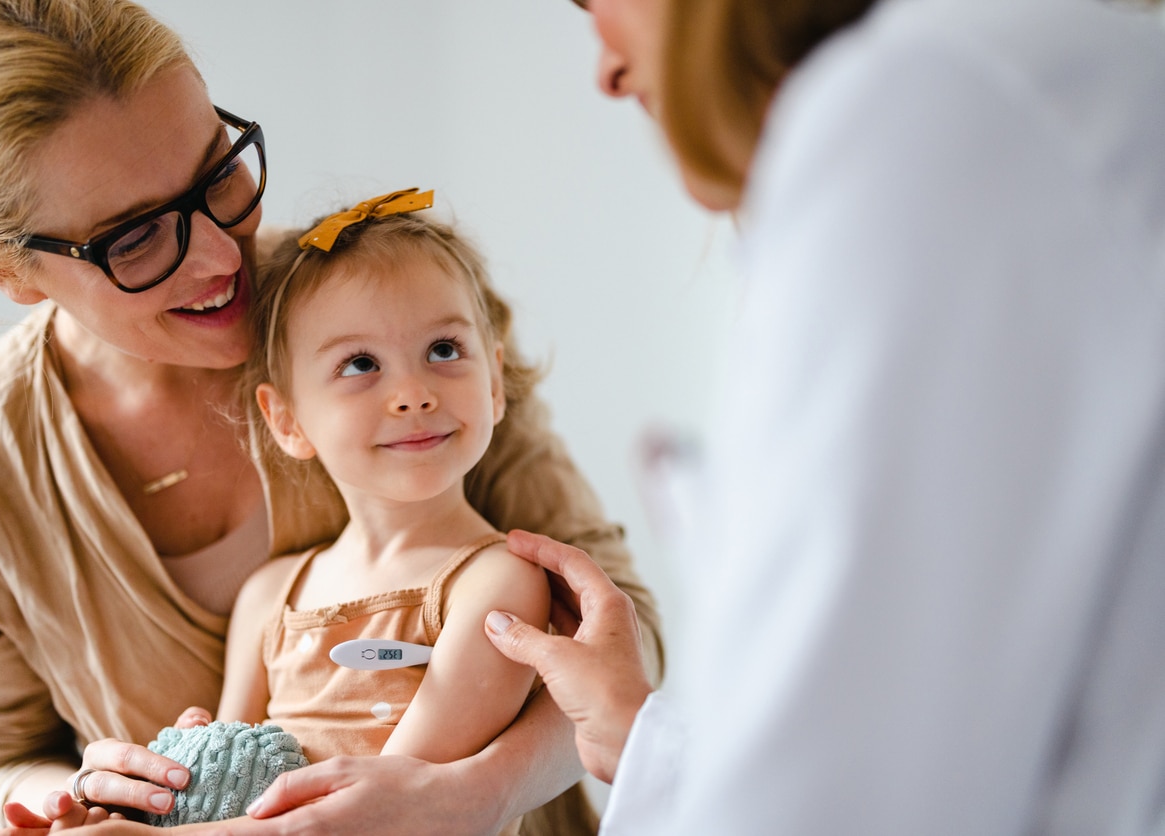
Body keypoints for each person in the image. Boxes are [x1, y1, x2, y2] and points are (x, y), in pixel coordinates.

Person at [0, 1, 663, 833]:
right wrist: (71, 794)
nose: (221, 255)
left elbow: (620, 635)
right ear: (7, 267)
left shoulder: (387, 307)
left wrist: (476, 792)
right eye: (134, 239)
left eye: (218, 173)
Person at [476, 0, 1165, 833]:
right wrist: (645, 739)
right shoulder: (1039, 82)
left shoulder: (929, 106)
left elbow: (835, 798)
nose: (606, 70)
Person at [2, 188, 555, 835]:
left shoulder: (498, 584)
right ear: (286, 420)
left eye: (443, 350)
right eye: (360, 364)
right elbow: (223, 798)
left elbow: (390, 812)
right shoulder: (269, 597)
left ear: (493, 384)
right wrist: (165, 789)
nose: (412, 394)